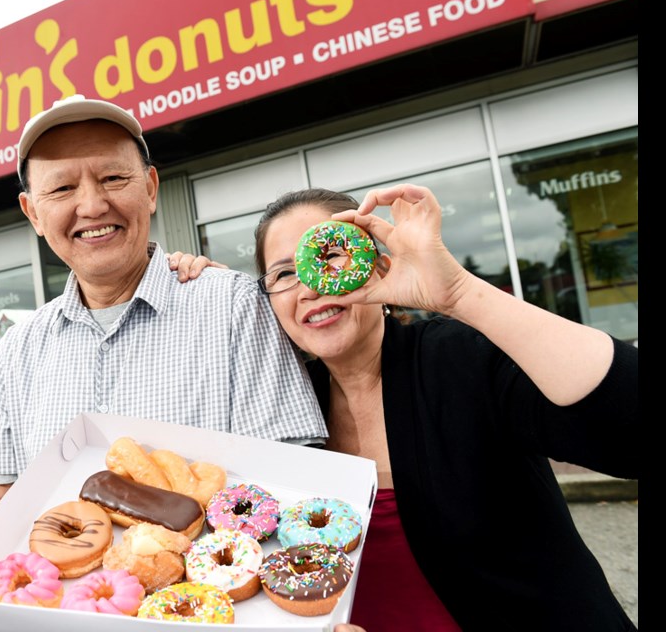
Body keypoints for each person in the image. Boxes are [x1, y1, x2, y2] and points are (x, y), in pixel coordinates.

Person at [0, 95, 330, 631]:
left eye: (113, 178)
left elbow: (293, 485)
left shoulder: (233, 306)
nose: (91, 206)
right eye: (63, 187)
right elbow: (3, 502)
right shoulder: (17, 349)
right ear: (33, 214)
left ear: (152, 188)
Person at [249, 185, 639, 631]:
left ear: (377, 264)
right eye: (284, 275)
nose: (310, 286)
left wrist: (456, 293)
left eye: (329, 257)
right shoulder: (284, 410)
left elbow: (628, 429)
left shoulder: (459, 360)